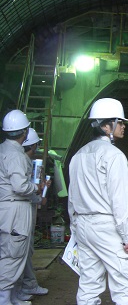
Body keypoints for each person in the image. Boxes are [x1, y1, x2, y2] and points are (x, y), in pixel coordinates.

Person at [68, 98, 128, 305]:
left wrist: (75, 227)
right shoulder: (114, 155)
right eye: (120, 122)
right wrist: (127, 237)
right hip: (107, 226)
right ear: (105, 126)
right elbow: (120, 200)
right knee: (126, 280)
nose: (123, 126)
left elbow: (72, 198)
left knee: (89, 282)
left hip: (83, 226)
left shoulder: (78, 156)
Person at [0, 110, 44, 305]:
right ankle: (4, 299)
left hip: (6, 209)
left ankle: (12, 295)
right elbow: (20, 187)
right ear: (24, 132)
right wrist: (37, 187)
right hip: (15, 210)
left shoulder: (2, 150)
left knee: (11, 252)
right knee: (13, 254)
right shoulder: (16, 155)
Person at [16, 129, 49, 302]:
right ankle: (17, 290)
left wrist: (41, 187)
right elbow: (22, 189)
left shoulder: (21, 161)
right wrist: (39, 189)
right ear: (33, 145)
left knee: (24, 251)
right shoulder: (21, 161)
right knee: (18, 252)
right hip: (19, 214)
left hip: (22, 212)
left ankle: (24, 286)